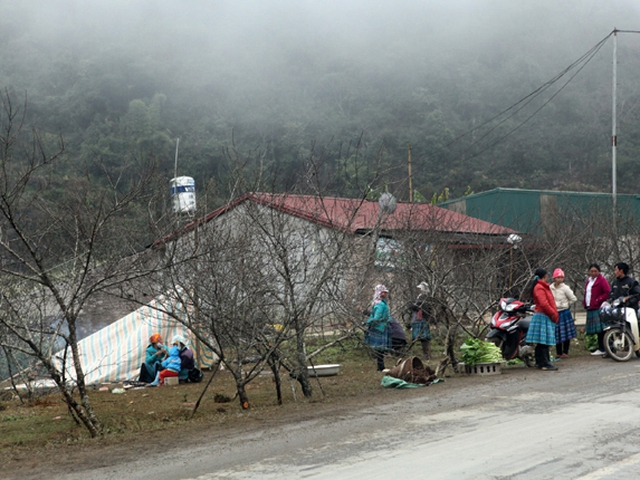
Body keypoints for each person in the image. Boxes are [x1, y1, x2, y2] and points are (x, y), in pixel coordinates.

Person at [525, 268, 559, 371]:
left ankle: (541, 362)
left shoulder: (540, 286)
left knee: (542, 341)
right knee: (543, 341)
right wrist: (552, 313)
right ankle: (545, 362)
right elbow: (544, 303)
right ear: (544, 276)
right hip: (543, 315)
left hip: (544, 315)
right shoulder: (539, 287)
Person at [583, 263, 611, 356]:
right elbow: (587, 293)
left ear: (599, 271)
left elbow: (607, 292)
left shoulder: (602, 280)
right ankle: (600, 347)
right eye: (591, 271)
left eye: (595, 271)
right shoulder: (588, 281)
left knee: (601, 330)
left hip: (598, 307)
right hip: (590, 307)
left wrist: (598, 300)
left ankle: (603, 348)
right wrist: (585, 302)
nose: (593, 273)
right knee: (597, 330)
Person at [550, 268, 577, 358]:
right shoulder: (551, 288)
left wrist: (566, 304)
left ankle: (565, 352)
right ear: (554, 278)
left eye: (561, 278)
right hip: (555, 312)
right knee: (557, 333)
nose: (560, 279)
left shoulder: (565, 288)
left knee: (566, 333)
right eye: (558, 277)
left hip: (564, 312)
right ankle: (558, 352)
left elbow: (573, 298)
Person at [365, 284, 391, 371]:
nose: (385, 294)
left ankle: (380, 367)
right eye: (384, 293)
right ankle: (380, 366)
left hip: (378, 328)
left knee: (379, 349)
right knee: (379, 349)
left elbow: (377, 318)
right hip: (381, 327)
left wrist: (368, 322)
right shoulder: (381, 304)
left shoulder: (379, 305)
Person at [409, 281, 435, 360]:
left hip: (422, 319)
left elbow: (417, 307)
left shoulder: (424, 298)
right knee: (421, 338)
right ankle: (426, 354)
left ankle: (427, 354)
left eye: (420, 288)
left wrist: (413, 306)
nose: (418, 290)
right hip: (418, 319)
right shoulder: (420, 297)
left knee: (424, 338)